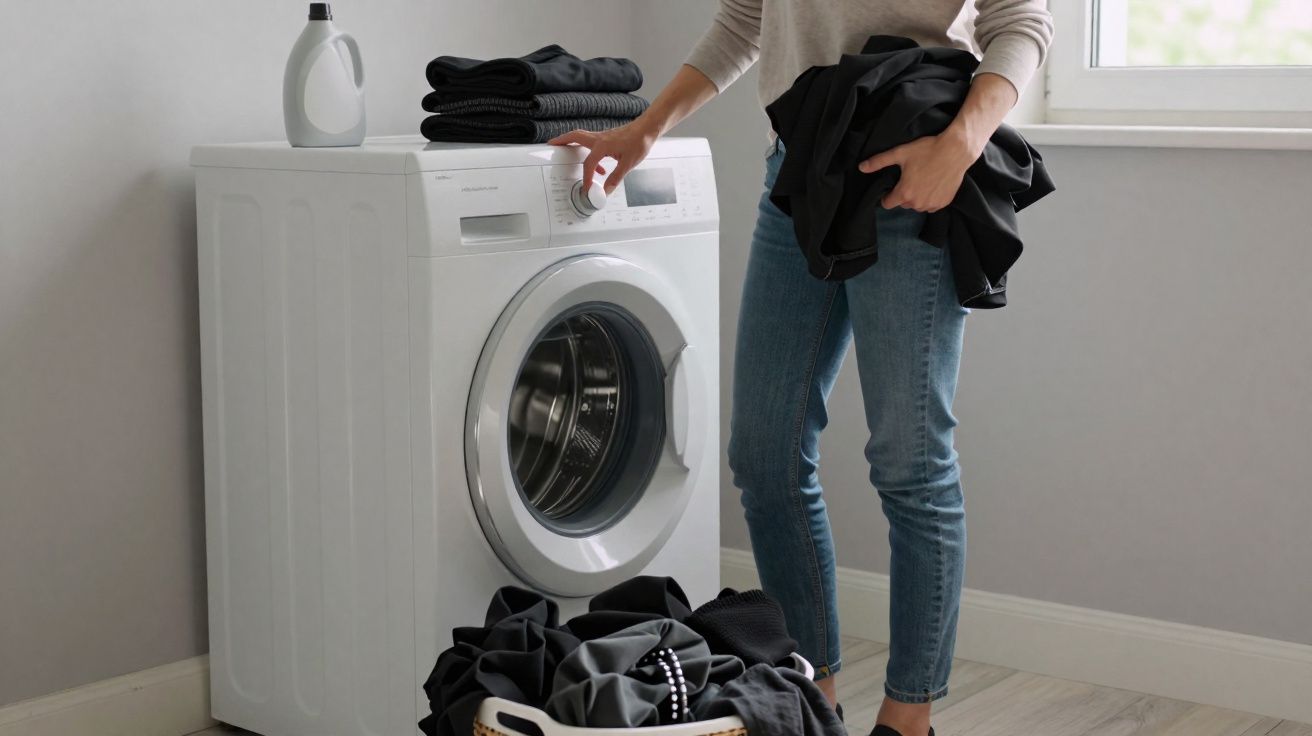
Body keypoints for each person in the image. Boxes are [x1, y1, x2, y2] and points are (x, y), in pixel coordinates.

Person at [550, 2, 1053, 735]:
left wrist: (960, 146)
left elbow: (1023, 21)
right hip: (800, 170)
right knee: (764, 454)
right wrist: (645, 128)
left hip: (909, 161)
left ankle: (908, 718)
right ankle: (813, 695)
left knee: (911, 462)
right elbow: (745, 21)